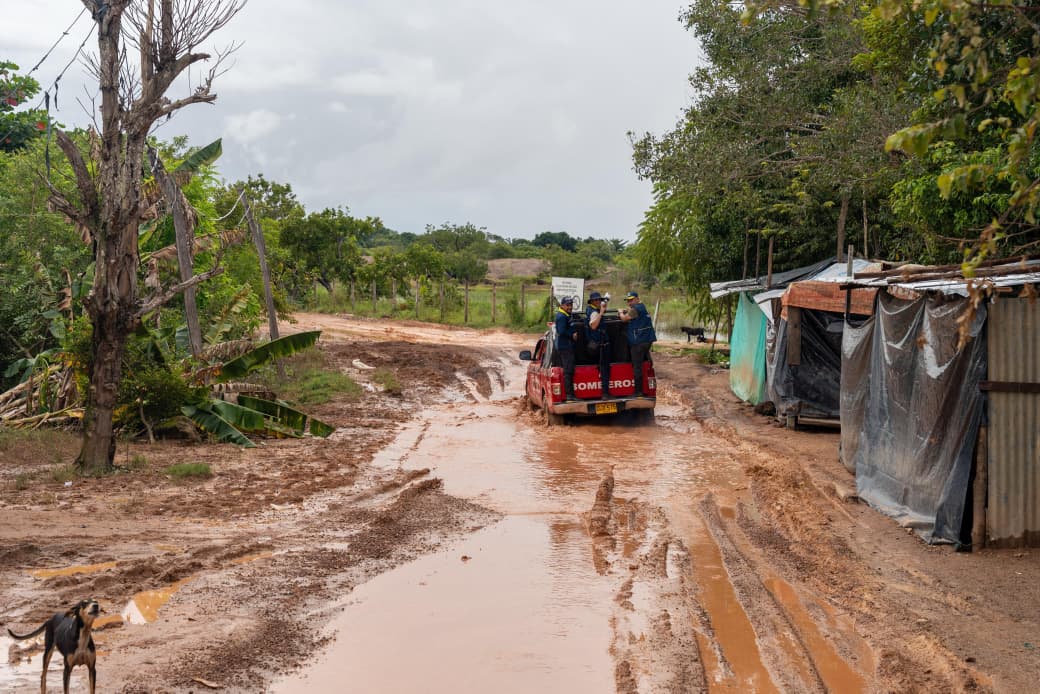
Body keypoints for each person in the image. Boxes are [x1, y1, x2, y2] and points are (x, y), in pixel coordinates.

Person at [619, 290, 656, 396]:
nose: (629, 303)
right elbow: (632, 312)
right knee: (644, 363)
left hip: (638, 342)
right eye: (628, 301)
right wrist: (627, 309)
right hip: (646, 340)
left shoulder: (636, 309)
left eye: (631, 300)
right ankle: (643, 388)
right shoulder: (641, 307)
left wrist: (620, 312)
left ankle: (638, 392)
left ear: (637, 299)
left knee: (637, 367)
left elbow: (624, 319)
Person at [585, 291, 611, 399]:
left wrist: (605, 301)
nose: (598, 301)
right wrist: (601, 313)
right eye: (596, 300)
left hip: (596, 344)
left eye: (599, 299)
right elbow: (594, 326)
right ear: (592, 301)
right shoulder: (594, 313)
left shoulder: (592, 309)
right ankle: (605, 393)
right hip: (600, 345)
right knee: (604, 368)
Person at [554, 296, 579, 401]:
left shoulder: (566, 315)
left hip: (568, 346)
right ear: (562, 305)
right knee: (568, 371)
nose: (570, 307)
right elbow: (561, 331)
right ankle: (569, 396)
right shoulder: (561, 317)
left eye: (571, 305)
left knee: (570, 370)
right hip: (565, 347)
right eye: (568, 305)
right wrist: (572, 334)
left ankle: (571, 395)